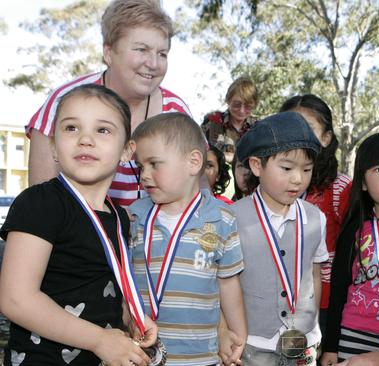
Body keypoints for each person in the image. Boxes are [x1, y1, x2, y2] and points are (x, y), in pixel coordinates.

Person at [0, 84, 157, 365]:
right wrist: (98, 340)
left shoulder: (119, 217)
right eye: (71, 128)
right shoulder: (40, 203)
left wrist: (132, 318)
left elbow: (106, 285)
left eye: (103, 130)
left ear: (126, 151)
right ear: (53, 146)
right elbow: (15, 299)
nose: (85, 139)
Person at [27, 0, 191, 206]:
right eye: (141, 49)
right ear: (109, 53)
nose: (153, 64)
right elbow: (40, 200)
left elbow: (197, 188)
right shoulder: (65, 101)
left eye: (162, 54)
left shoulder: (177, 112)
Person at [129, 113, 247, 365]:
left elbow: (227, 284)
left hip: (201, 356)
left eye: (154, 164)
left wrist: (234, 333)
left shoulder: (222, 219)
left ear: (193, 162)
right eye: (141, 166)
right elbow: (124, 285)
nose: (144, 175)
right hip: (141, 355)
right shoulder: (133, 217)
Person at [229, 112, 329, 366]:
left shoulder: (316, 218)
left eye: (306, 169)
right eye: (286, 168)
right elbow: (225, 282)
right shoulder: (232, 217)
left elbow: (314, 274)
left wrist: (311, 323)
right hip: (253, 343)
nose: (298, 178)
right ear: (256, 166)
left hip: (303, 345)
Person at [320, 132, 379, 366]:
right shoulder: (354, 229)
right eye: (378, 170)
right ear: (362, 182)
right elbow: (339, 288)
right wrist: (331, 346)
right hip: (353, 336)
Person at [279, 94, 352, 335]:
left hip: (324, 306)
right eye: (290, 128)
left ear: (326, 138)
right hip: (275, 300)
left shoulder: (340, 189)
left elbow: (351, 252)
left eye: (308, 128)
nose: (299, 136)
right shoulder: (271, 187)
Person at [202, 77, 259, 163]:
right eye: (236, 104)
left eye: (248, 106)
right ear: (228, 101)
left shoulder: (258, 127)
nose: (242, 110)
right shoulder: (213, 121)